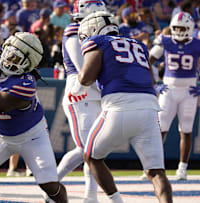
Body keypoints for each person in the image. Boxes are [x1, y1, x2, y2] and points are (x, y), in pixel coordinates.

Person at [0, 32, 68, 202]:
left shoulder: (26, 83)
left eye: (17, 60)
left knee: (50, 185)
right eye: (10, 54)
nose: (10, 60)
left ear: (29, 65)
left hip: (32, 136)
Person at [74, 11, 173, 203]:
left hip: (118, 107)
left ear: (95, 29)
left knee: (92, 157)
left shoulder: (99, 42)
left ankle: (116, 201)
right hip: (149, 108)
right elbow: (151, 80)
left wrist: (77, 79)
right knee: (156, 172)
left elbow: (86, 78)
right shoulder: (140, 45)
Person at [55, 0, 107, 202]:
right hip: (81, 93)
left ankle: (88, 195)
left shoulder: (95, 31)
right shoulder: (74, 31)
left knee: (91, 149)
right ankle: (52, 185)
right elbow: (83, 69)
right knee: (88, 149)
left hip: (94, 94)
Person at [148, 12, 200, 180]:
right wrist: (154, 83)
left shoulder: (197, 44)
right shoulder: (165, 42)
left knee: (186, 129)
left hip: (189, 91)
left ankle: (182, 168)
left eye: (182, 28)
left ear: (190, 28)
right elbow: (147, 60)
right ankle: (152, 165)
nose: (178, 30)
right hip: (168, 89)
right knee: (160, 129)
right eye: (176, 27)